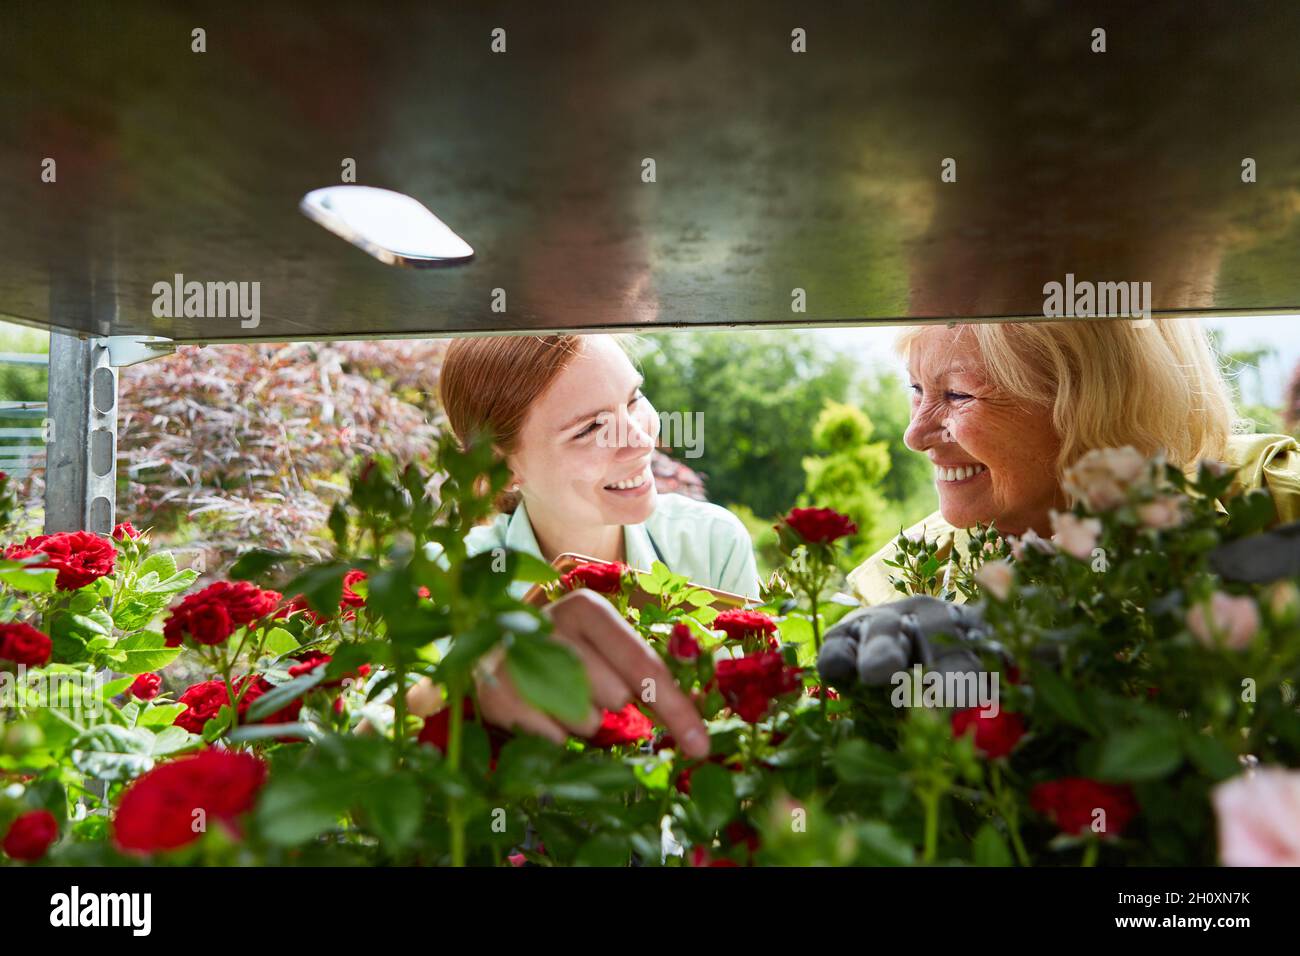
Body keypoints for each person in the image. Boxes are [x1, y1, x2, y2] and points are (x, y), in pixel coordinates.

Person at [409, 332, 761, 747]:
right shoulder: (448, 577)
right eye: (591, 427)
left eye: (633, 400)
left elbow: (756, 734)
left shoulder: (711, 545)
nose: (640, 440)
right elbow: (372, 769)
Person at [847, 318, 1300, 606]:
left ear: (1097, 405)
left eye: (958, 394)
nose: (915, 435)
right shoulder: (896, 585)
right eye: (915, 389)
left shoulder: (1279, 507)